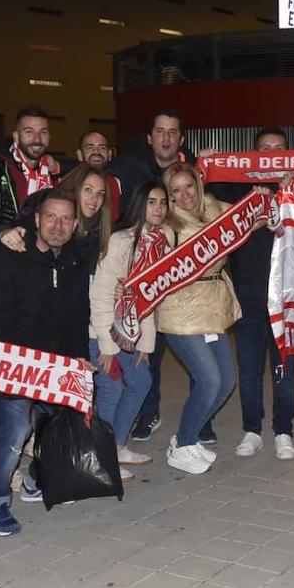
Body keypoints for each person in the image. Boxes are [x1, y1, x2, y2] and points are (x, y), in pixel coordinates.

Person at [0, 189, 92, 535]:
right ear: (35, 219)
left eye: (66, 218)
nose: (58, 225)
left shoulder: (74, 261)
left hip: (49, 365)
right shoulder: (8, 255)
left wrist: (78, 359)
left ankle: (35, 478)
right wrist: (6, 366)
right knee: (17, 426)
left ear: (75, 224)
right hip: (8, 364)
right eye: (51, 216)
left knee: (60, 415)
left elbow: (78, 316)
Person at [208, 127, 294, 461]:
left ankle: (284, 431)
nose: (272, 154)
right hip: (247, 292)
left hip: (288, 293)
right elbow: (200, 190)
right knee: (249, 367)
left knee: (285, 368)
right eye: (265, 149)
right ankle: (251, 430)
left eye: (279, 149)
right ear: (254, 154)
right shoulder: (235, 189)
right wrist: (204, 163)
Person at [108, 109, 195, 440]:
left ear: (181, 138)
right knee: (141, 349)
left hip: (180, 276)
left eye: (173, 132)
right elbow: (91, 173)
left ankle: (178, 415)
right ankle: (144, 410)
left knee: (171, 347)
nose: (167, 138)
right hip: (135, 275)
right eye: (160, 131)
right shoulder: (129, 165)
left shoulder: (193, 170)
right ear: (150, 137)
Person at [157, 163, 244, 474]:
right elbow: (147, 257)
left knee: (226, 382)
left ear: (198, 183)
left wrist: (264, 196)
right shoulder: (169, 225)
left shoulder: (215, 207)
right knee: (208, 381)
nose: (185, 195)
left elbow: (251, 218)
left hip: (212, 308)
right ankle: (183, 446)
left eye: (188, 186)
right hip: (179, 311)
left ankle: (186, 437)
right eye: (175, 191)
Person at [89, 183, 165, 480]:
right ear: (138, 205)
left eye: (162, 203)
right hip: (101, 331)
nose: (158, 209)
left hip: (131, 332)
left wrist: (146, 343)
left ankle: (117, 446)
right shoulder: (121, 242)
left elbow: (149, 299)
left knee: (141, 381)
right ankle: (101, 458)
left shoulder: (159, 244)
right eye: (151, 203)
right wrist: (107, 347)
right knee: (110, 390)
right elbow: (101, 295)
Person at [0, 107, 61, 248]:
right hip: (4, 258)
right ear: (16, 136)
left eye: (43, 132)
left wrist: (58, 169)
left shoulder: (53, 173)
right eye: (29, 131)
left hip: (44, 256)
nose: (37, 139)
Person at [78, 129, 121, 221]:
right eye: (90, 148)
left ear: (109, 154)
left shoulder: (116, 183)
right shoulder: (69, 182)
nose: (96, 152)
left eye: (102, 148)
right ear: (80, 155)